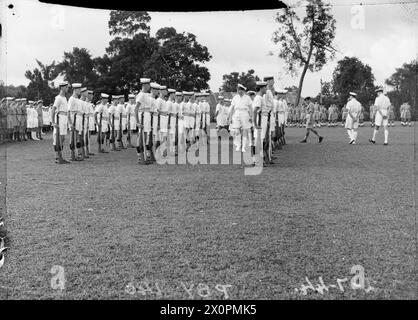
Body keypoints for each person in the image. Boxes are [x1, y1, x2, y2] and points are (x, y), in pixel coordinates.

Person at [229, 83, 253, 153]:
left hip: (245, 113)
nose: (239, 91)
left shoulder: (247, 97)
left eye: (241, 90)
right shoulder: (235, 97)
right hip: (237, 113)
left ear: (243, 90)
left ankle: (243, 147)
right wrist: (230, 117)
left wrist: (251, 116)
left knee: (244, 130)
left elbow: (250, 108)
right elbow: (232, 108)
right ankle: (238, 145)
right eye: (238, 90)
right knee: (236, 130)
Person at [252, 80, 271, 166]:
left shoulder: (260, 98)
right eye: (265, 87)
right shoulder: (259, 98)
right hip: (259, 120)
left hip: (262, 120)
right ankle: (257, 161)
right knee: (258, 141)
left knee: (259, 140)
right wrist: (255, 124)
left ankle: (257, 160)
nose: (266, 89)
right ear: (261, 88)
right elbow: (255, 111)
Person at [51, 81, 70, 164]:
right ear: (62, 87)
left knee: (62, 138)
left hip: (64, 118)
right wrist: (53, 122)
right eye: (66, 87)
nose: (67, 88)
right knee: (58, 138)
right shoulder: (58, 98)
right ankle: (58, 157)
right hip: (60, 118)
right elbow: (53, 109)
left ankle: (58, 156)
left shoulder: (65, 98)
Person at [135, 78, 153, 164]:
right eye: (148, 85)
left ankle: (146, 156)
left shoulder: (147, 95)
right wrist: (138, 122)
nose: (149, 86)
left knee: (146, 136)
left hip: (147, 116)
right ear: (145, 85)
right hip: (142, 115)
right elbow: (136, 109)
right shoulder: (141, 95)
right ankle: (140, 157)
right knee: (141, 137)